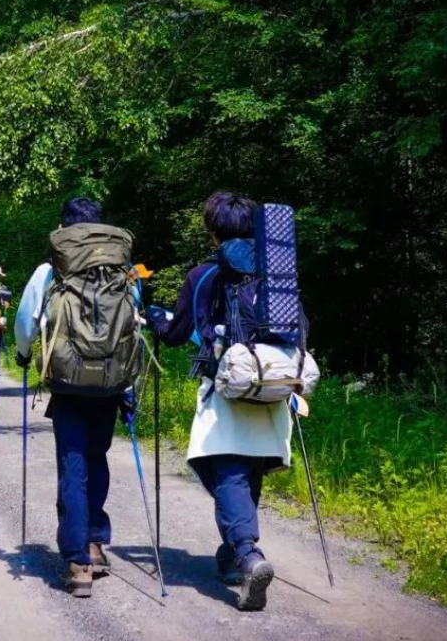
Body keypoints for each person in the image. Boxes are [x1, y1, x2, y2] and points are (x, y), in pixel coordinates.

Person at [146, 190, 290, 611]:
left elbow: (175, 334)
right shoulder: (277, 271)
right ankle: (231, 557)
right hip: (273, 383)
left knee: (223, 468)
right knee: (248, 468)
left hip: (226, 387)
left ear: (213, 231)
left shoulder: (204, 275)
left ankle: (247, 555)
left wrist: (156, 318)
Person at [14, 197, 132, 598]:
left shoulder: (51, 270)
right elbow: (135, 323)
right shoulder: (122, 269)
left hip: (67, 382)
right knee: (97, 459)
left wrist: (24, 354)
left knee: (73, 465)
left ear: (63, 227)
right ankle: (97, 544)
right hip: (112, 384)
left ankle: (78, 561)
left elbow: (26, 322)